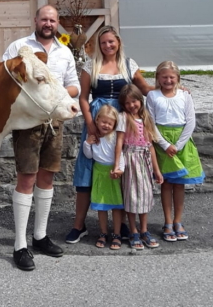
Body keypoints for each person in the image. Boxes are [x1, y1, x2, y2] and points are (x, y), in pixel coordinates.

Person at [2, 5, 80, 271]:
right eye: (44, 19)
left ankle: (40, 237)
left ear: (58, 23)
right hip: (28, 121)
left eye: (52, 20)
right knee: (27, 178)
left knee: (47, 176)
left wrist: (54, 89)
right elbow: (5, 79)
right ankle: (19, 245)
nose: (48, 23)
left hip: (54, 121)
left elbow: (75, 86)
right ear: (35, 20)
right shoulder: (18, 47)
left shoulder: (64, 51)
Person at [66, 25, 153, 244]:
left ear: (118, 43)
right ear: (99, 44)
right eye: (103, 42)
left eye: (111, 41)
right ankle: (79, 225)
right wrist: (90, 123)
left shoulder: (128, 64)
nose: (107, 45)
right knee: (88, 169)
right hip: (98, 118)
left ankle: (121, 224)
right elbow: (83, 97)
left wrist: (172, 90)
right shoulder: (90, 65)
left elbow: (144, 88)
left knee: (123, 168)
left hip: (124, 120)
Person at [146, 61, 205, 242]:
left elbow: (190, 121)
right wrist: (164, 145)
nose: (168, 80)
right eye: (164, 77)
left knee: (179, 184)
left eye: (172, 77)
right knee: (166, 183)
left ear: (178, 78)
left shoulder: (184, 96)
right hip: (162, 142)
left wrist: (178, 145)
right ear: (158, 78)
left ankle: (178, 220)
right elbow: (151, 123)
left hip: (181, 141)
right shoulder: (152, 96)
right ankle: (168, 222)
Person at [114, 84, 164, 250]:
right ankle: (133, 230)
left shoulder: (146, 118)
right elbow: (120, 141)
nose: (131, 105)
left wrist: (157, 171)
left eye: (134, 101)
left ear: (140, 101)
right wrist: (117, 164)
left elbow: (151, 146)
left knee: (145, 195)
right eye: (127, 103)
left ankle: (144, 230)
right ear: (123, 105)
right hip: (130, 160)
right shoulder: (123, 117)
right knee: (132, 196)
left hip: (145, 161)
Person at [82, 104, 125, 250]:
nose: (106, 125)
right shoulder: (94, 137)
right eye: (103, 122)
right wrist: (87, 144)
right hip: (99, 173)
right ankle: (103, 232)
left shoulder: (115, 138)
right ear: (97, 120)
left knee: (116, 205)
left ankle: (117, 234)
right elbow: (89, 155)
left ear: (114, 124)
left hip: (113, 172)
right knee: (102, 206)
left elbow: (121, 155)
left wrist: (120, 169)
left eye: (110, 123)